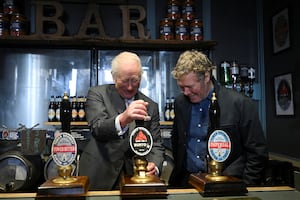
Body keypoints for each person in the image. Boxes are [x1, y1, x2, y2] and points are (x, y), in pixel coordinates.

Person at [168, 50, 268, 187]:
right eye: (181, 87)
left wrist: (245, 186)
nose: (186, 92)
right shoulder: (180, 103)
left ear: (206, 76)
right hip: (186, 183)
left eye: (190, 87)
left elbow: (257, 153)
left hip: (226, 185)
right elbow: (177, 140)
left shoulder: (240, 104)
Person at [79, 51, 165, 190]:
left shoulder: (151, 106)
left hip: (134, 177)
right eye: (125, 81)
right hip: (100, 173)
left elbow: (156, 144)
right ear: (114, 77)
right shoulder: (97, 94)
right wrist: (123, 119)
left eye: (135, 80)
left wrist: (155, 165)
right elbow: (97, 128)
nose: (130, 87)